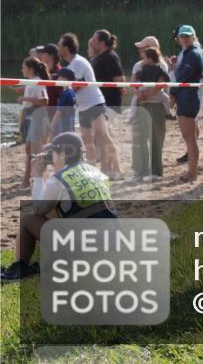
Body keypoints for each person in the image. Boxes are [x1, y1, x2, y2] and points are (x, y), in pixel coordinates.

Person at [0, 132, 116, 283]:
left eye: (53, 152)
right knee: (57, 210)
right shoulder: (96, 172)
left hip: (86, 251)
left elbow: (38, 210)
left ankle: (20, 269)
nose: (51, 157)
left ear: (63, 154)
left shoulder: (60, 179)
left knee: (28, 220)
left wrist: (38, 176)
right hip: (110, 245)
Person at [58, 33, 122, 179]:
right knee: (87, 141)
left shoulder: (78, 63)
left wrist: (63, 88)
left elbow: (76, 87)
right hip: (83, 106)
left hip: (94, 102)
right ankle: (93, 170)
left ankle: (112, 170)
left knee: (102, 136)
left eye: (60, 45)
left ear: (66, 48)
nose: (58, 48)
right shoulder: (70, 65)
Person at [169, 25, 203, 182]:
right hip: (186, 95)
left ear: (193, 36)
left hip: (188, 96)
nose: (184, 38)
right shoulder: (186, 52)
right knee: (190, 136)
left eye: (187, 36)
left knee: (189, 137)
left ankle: (192, 173)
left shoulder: (193, 53)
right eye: (182, 36)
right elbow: (181, 75)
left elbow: (183, 77)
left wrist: (173, 94)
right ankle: (192, 171)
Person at [131, 47, 170, 181]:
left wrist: (146, 94)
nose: (143, 59)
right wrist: (139, 95)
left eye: (146, 56)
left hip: (155, 104)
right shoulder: (139, 68)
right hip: (141, 105)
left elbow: (162, 84)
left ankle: (155, 171)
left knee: (155, 139)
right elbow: (133, 83)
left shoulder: (161, 68)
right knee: (139, 139)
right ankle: (140, 171)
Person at [17, 57, 50, 189]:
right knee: (29, 149)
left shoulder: (38, 82)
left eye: (23, 67)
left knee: (34, 150)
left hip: (38, 117)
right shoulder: (31, 82)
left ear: (30, 69)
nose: (22, 70)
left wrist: (25, 98)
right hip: (31, 116)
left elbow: (44, 101)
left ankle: (31, 180)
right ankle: (31, 179)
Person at [51, 68, 78, 137]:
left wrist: (52, 125)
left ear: (64, 78)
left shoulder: (64, 94)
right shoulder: (72, 92)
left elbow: (59, 112)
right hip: (70, 123)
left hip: (64, 125)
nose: (56, 79)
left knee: (64, 144)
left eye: (58, 77)